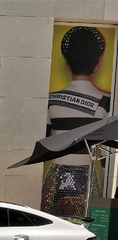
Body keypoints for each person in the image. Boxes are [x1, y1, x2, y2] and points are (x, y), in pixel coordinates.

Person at [43, 26, 110, 216]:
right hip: (88, 180)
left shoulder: (51, 100)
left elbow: (42, 144)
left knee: (52, 222)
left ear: (67, 64)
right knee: (84, 225)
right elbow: (105, 153)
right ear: (97, 64)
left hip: (55, 178)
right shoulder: (105, 103)